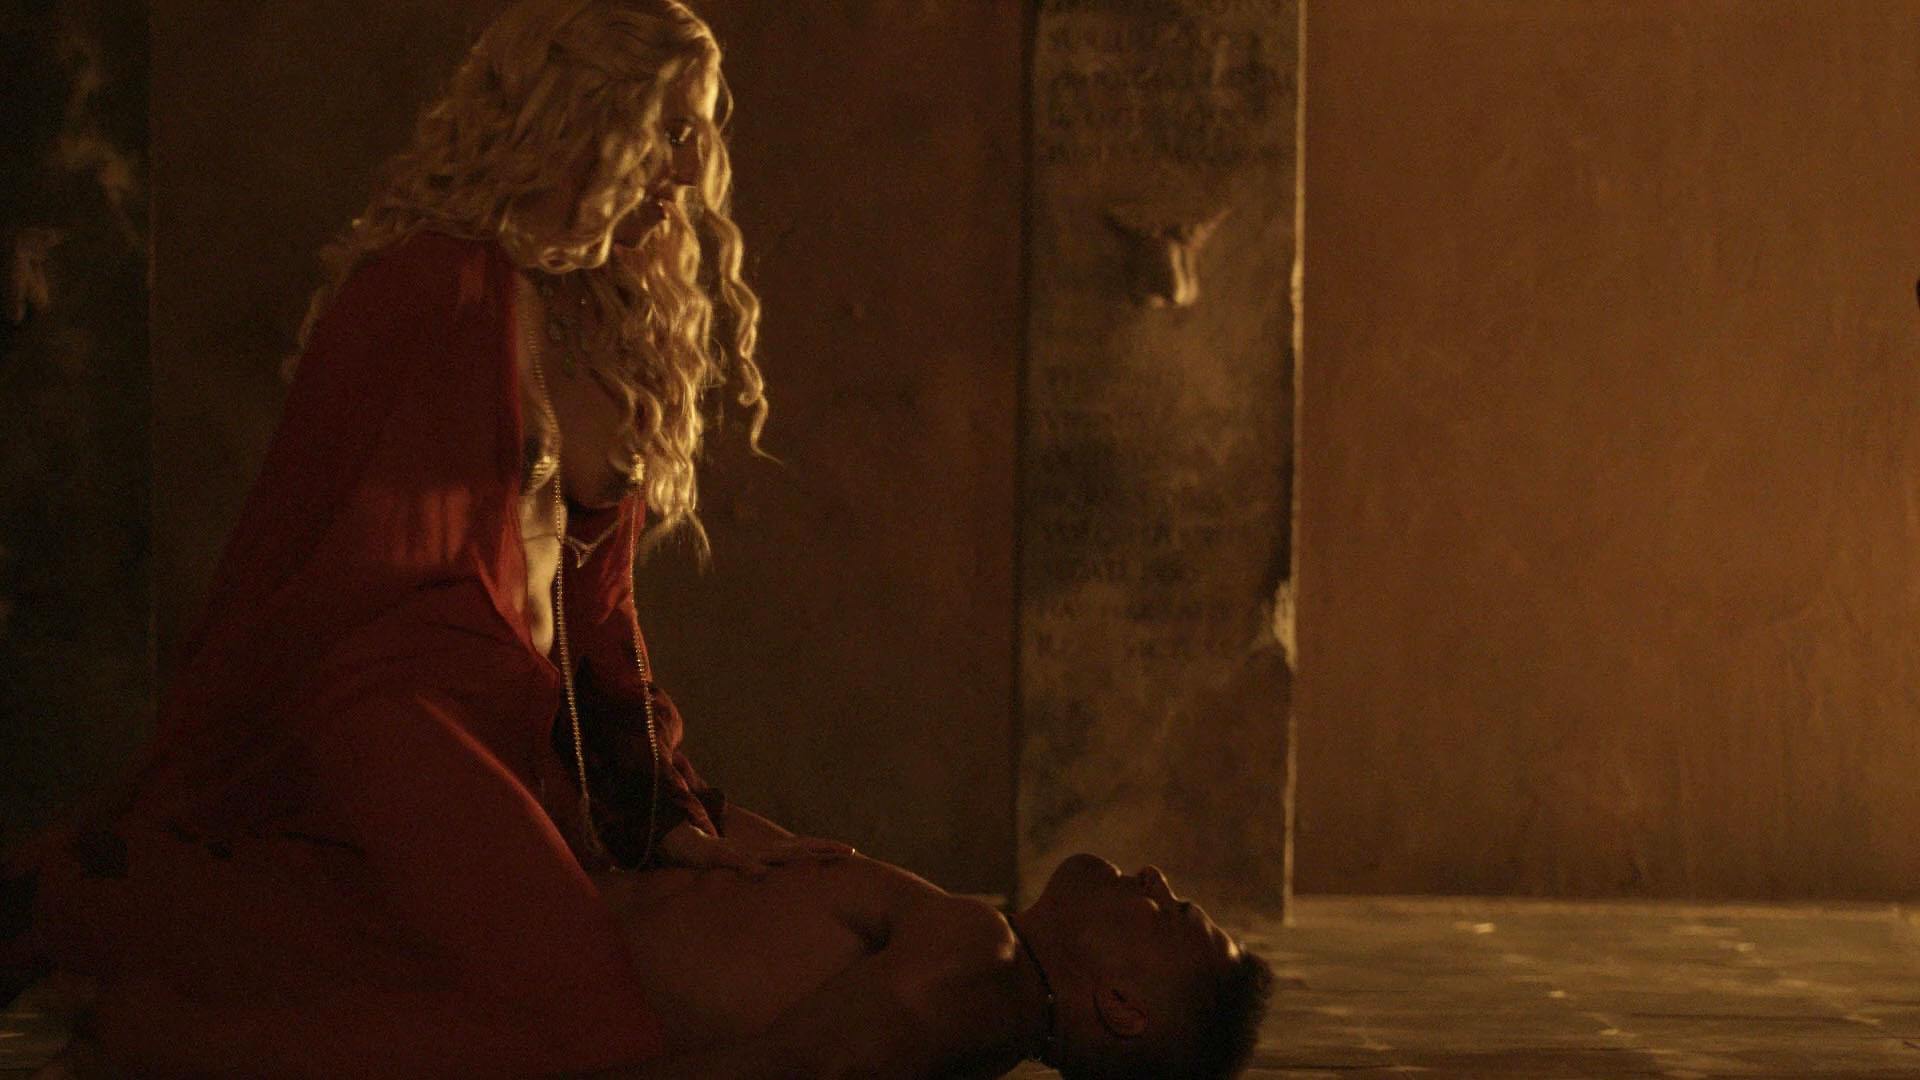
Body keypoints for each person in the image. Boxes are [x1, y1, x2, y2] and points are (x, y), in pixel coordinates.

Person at [2, 0, 848, 1074]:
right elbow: (321, 578)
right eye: (668, 129)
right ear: (577, 114)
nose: (689, 169)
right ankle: (154, 1040)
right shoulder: (424, 283)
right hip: (391, 715)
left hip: (499, 728)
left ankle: (155, 1030)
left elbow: (596, 621)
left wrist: (665, 813)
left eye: (699, 134)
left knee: (593, 1015)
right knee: (597, 1033)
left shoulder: (609, 317)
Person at [582, 852, 1274, 1080]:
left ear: (1118, 1004)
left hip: (558, 966)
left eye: (1170, 914)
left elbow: (790, 1067)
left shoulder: (985, 967)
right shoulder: (983, 953)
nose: (1156, 877)